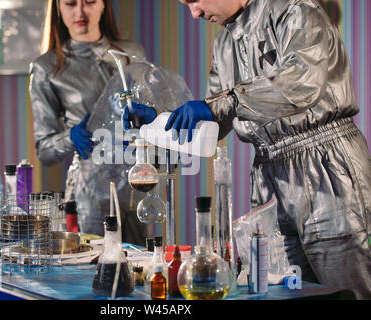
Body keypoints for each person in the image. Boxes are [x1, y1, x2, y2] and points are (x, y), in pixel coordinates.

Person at [125, 0, 371, 299]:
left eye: (193, 1)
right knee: (284, 292)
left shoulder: (296, 11)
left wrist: (220, 104)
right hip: (269, 175)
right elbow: (212, 120)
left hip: (324, 167)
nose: (195, 14)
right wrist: (160, 121)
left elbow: (301, 85)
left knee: (350, 290)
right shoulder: (225, 43)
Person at [29, 0, 147, 244]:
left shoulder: (131, 54)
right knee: (94, 268)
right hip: (89, 191)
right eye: (71, 3)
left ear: (103, 5)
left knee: (142, 269)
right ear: (58, 9)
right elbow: (45, 150)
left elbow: (148, 106)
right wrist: (70, 136)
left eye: (90, 1)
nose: (80, 12)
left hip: (137, 181)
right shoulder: (46, 68)